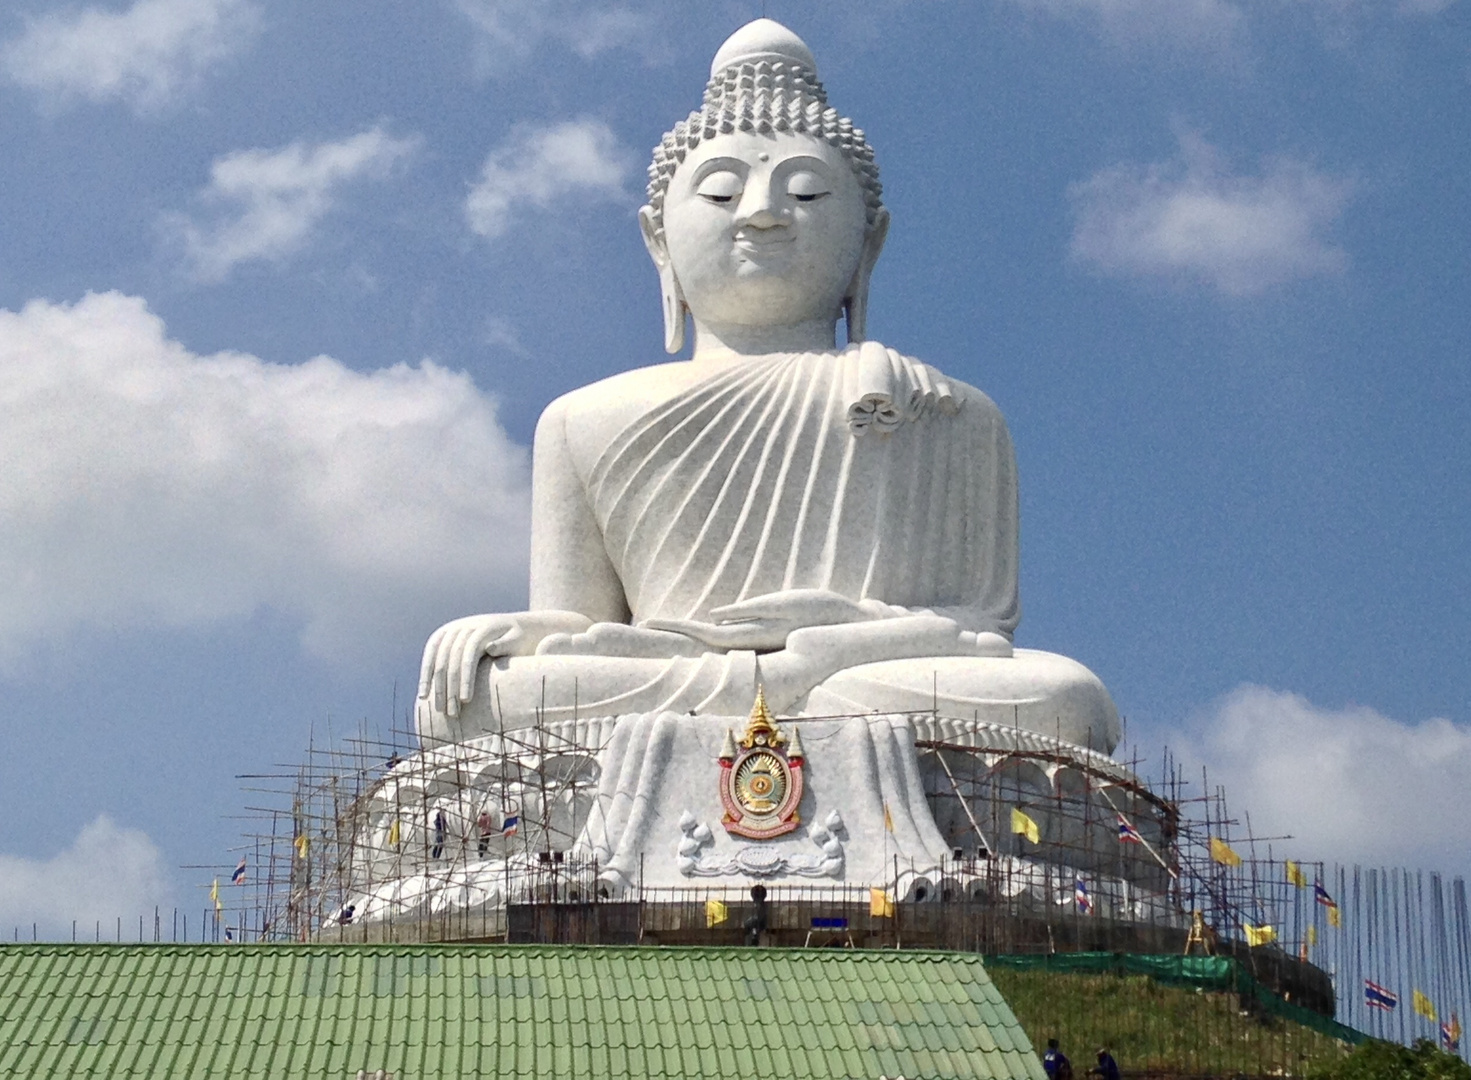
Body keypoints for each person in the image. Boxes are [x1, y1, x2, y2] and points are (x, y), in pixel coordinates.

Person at [413, 19, 1118, 751]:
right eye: (720, 194)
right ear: (658, 239)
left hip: (858, 670)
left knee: (1068, 699)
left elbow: (975, 631)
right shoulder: (580, 419)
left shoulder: (948, 413)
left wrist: (835, 636)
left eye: (808, 194)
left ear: (868, 242)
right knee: (471, 700)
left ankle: (797, 692)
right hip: (672, 672)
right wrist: (514, 634)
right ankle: (789, 700)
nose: (762, 213)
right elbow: (585, 625)